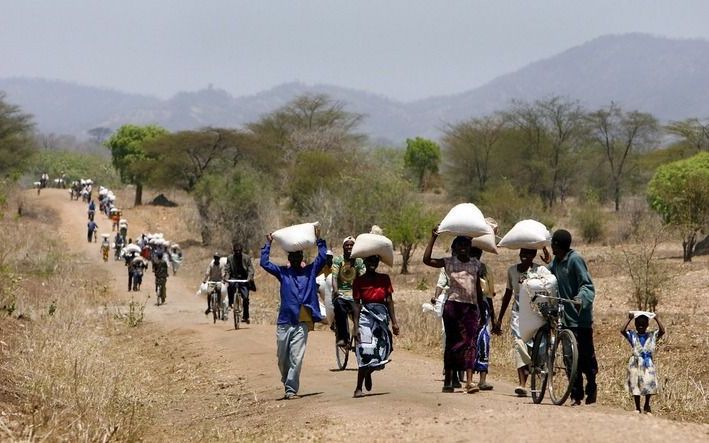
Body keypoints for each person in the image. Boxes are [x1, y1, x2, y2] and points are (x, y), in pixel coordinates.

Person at [260, 225, 326, 400]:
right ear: (289, 258)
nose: (296, 258)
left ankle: (291, 389)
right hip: (284, 321)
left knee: (296, 357)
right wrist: (268, 244)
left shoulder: (310, 271)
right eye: (293, 256)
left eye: (299, 256)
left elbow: (323, 257)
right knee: (282, 358)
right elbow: (264, 263)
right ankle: (287, 379)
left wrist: (319, 240)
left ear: (302, 257)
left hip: (302, 320)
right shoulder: (283, 273)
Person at [423, 228, 484, 394]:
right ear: (454, 248)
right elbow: (426, 260)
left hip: (470, 308)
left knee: (470, 343)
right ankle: (449, 380)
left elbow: (477, 288)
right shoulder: (448, 262)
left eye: (466, 244)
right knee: (452, 343)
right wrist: (433, 237)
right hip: (452, 306)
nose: (463, 247)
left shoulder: (475, 264)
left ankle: (470, 382)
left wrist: (482, 310)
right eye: (460, 245)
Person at [549, 229, 597, 405]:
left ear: (557, 245)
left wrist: (580, 298)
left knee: (586, 358)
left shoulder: (575, 259)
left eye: (552, 243)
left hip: (580, 319)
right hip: (565, 319)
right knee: (569, 358)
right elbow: (548, 274)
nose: (550, 246)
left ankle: (592, 386)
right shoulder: (556, 262)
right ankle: (576, 395)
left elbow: (587, 285)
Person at [493, 248, 545, 397]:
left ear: (534, 255)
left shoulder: (540, 270)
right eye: (522, 253)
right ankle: (522, 384)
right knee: (519, 345)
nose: (524, 256)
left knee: (537, 349)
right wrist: (500, 318)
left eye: (528, 253)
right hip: (518, 314)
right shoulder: (512, 271)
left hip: (537, 314)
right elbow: (508, 294)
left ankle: (535, 370)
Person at [352, 255, 400, 398]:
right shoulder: (359, 281)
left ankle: (368, 372)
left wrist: (394, 322)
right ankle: (358, 388)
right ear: (365, 263)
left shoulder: (384, 279)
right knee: (364, 350)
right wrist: (355, 326)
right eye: (370, 261)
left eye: (375, 261)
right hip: (365, 316)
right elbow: (356, 304)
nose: (372, 264)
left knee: (382, 351)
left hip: (381, 317)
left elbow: (389, 301)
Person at [621, 312, 665, 414]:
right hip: (635, 362)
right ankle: (637, 407)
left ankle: (646, 405)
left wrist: (657, 319)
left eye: (643, 324)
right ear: (635, 325)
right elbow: (622, 330)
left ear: (647, 325)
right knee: (635, 383)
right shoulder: (633, 335)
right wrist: (629, 319)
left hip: (647, 363)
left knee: (648, 382)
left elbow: (662, 331)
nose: (641, 326)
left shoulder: (652, 336)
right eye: (639, 324)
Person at [470, 246, 497, 391]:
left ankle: (482, 380)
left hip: (483, 311)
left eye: (477, 254)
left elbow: (489, 296)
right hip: (468, 309)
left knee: (484, 342)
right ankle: (466, 378)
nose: (475, 257)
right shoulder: (464, 269)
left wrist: (493, 319)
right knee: (468, 342)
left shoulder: (486, 270)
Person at [332, 237, 366, 347]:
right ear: (343, 247)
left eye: (352, 245)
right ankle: (343, 337)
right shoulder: (338, 260)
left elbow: (363, 276)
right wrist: (336, 291)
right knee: (339, 306)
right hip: (342, 293)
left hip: (355, 294)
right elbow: (334, 277)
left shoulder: (359, 261)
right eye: (347, 245)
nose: (349, 247)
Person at [226, 242, 255, 324]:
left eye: (239, 251)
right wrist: (226, 277)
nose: (237, 253)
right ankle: (230, 303)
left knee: (245, 298)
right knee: (230, 286)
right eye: (236, 251)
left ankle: (246, 316)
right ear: (233, 251)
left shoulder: (247, 258)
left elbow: (250, 269)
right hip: (233, 278)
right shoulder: (230, 258)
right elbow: (227, 269)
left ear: (241, 251)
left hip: (244, 279)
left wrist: (249, 278)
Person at [316, 250, 335, 325]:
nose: (327, 261)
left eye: (329, 258)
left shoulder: (338, 274)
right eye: (325, 258)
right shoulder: (318, 279)